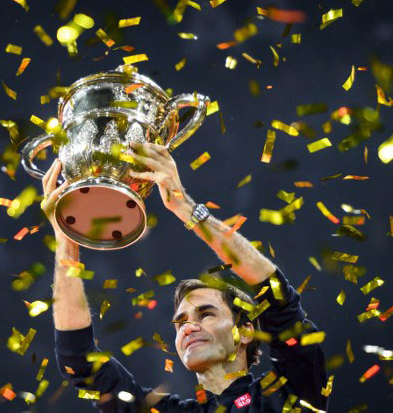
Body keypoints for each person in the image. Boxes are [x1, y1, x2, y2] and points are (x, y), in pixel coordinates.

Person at [42, 142, 328, 412]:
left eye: (206, 314)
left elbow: (275, 292)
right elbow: (79, 359)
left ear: (245, 332)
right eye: (180, 323)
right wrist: (66, 236)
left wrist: (185, 208)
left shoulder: (287, 394)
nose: (188, 328)